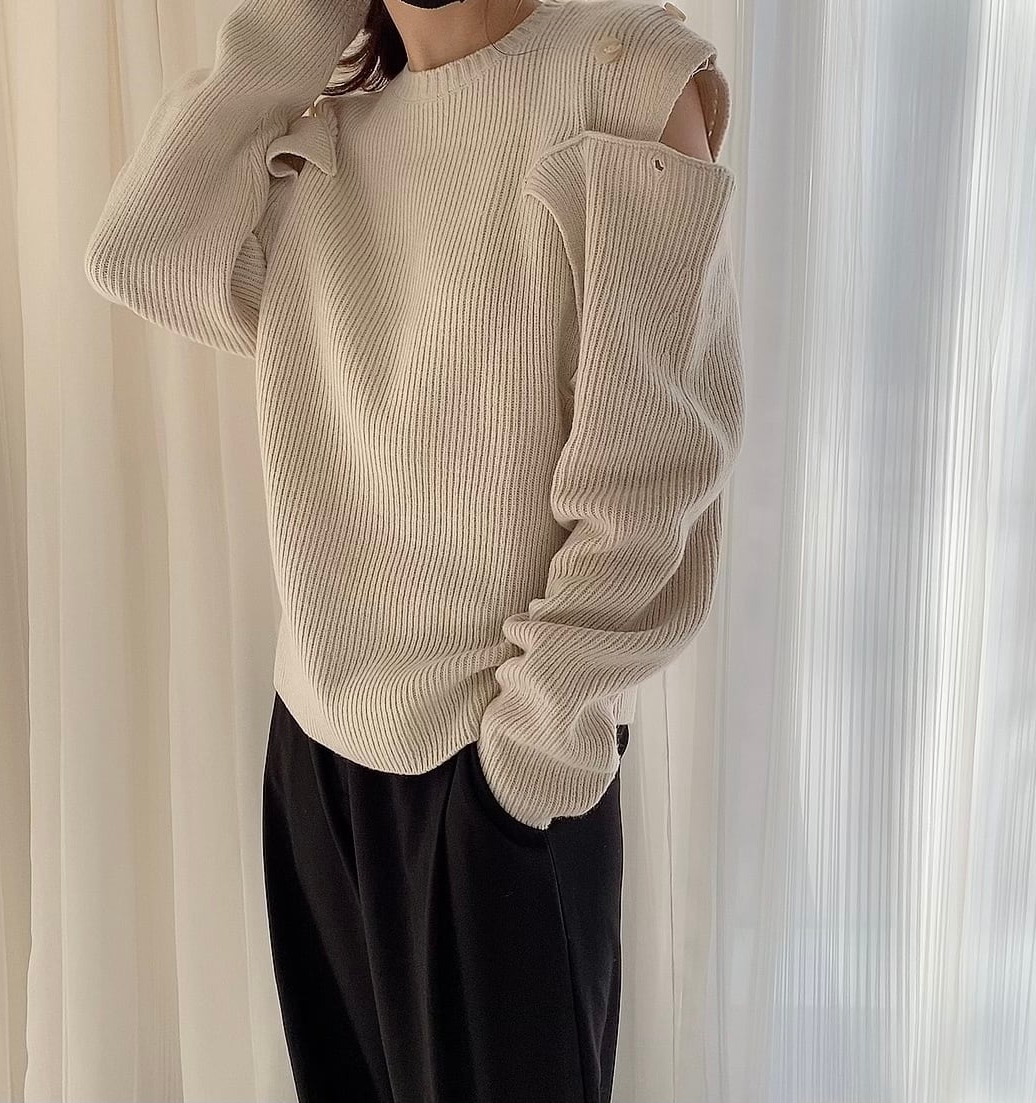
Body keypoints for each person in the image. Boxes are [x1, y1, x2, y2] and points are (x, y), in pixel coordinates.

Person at [83, 0, 745, 1097]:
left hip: (491, 769)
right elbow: (139, 252)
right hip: (318, 755)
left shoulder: (623, 75)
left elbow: (651, 475)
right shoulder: (328, 140)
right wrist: (298, 28)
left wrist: (523, 770)